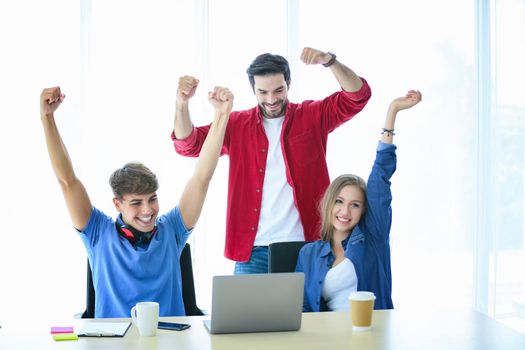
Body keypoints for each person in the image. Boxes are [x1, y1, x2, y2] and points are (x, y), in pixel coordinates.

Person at [172, 47, 372, 274]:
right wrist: (182, 104)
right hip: (253, 251)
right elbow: (189, 144)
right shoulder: (236, 125)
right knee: (246, 311)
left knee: (311, 311)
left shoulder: (312, 116)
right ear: (253, 90)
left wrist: (329, 61)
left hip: (309, 246)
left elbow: (357, 96)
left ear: (289, 83)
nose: (271, 99)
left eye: (279, 90)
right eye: (263, 92)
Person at [40, 85, 233, 317]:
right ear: (117, 204)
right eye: (136, 203)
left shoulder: (171, 230)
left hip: (170, 342)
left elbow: (202, 177)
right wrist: (47, 117)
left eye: (152, 199)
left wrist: (222, 114)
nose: (147, 210)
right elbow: (67, 181)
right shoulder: (98, 233)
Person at [295, 90, 422, 311]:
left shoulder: (372, 238)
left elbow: (380, 174)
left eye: (355, 205)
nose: (345, 211)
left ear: (364, 210)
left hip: (371, 336)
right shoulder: (309, 254)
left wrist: (392, 110)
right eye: (339, 202)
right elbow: (302, 307)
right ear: (329, 204)